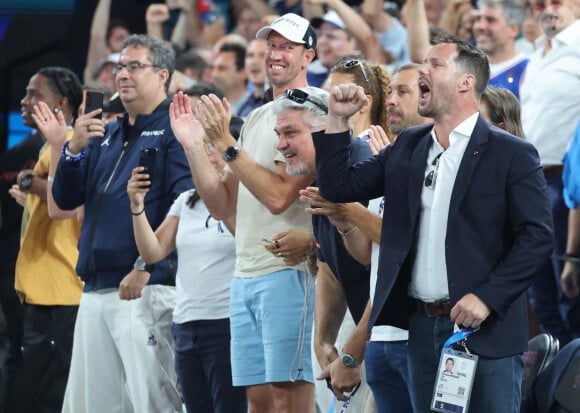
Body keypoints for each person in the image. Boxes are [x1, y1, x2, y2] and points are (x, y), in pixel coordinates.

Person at [313, 38, 553, 413]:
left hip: (486, 332)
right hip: (421, 329)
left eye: (435, 65)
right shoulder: (409, 144)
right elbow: (338, 187)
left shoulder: (510, 152)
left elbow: (538, 238)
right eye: (423, 63)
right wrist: (336, 120)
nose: (422, 70)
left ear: (465, 83)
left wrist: (488, 297)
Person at [169, 13, 320, 413]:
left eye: (287, 47)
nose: (275, 54)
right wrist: (194, 146)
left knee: (290, 401)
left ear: (309, 56)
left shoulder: (312, 110)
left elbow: (280, 197)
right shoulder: (255, 116)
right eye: (272, 45)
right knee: (257, 402)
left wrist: (226, 144)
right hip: (245, 273)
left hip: (289, 272)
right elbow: (223, 206)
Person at [52, 34, 192, 413]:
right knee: (93, 405)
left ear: (162, 74)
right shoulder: (107, 133)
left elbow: (186, 206)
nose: (123, 74)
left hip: (145, 288)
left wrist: (146, 265)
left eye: (134, 66)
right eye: (119, 67)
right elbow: (66, 200)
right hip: (95, 287)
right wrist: (74, 149)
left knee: (153, 402)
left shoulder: (176, 131)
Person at [303, 64, 431, 413]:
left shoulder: (436, 163)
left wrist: (351, 349)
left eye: (403, 92)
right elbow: (363, 254)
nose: (392, 101)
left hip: (416, 331)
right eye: (391, 92)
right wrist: (342, 216)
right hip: (382, 337)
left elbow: (407, 249)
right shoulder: (389, 161)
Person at [126, 116, 247, 413]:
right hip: (186, 323)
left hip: (228, 322)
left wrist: (220, 192)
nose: (204, 152)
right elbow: (153, 251)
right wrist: (137, 207)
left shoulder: (249, 196)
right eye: (200, 145)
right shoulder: (186, 201)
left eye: (211, 145)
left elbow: (243, 240)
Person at [8, 67, 84, 413]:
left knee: (58, 395)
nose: (25, 102)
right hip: (47, 288)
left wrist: (30, 182)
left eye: (35, 94)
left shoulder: (69, 143)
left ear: (62, 102)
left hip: (62, 287)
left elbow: (67, 202)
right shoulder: (50, 147)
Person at [520, 0, 580, 345]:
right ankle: (559, 382)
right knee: (540, 296)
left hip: (567, 185)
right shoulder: (539, 57)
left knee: (570, 293)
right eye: (540, 3)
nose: (547, 8)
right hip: (532, 183)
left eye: (557, 0)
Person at [211, 43, 250, 116]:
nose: (214, 74)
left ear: (243, 72)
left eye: (222, 68)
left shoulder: (255, 107)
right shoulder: (211, 107)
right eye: (213, 68)